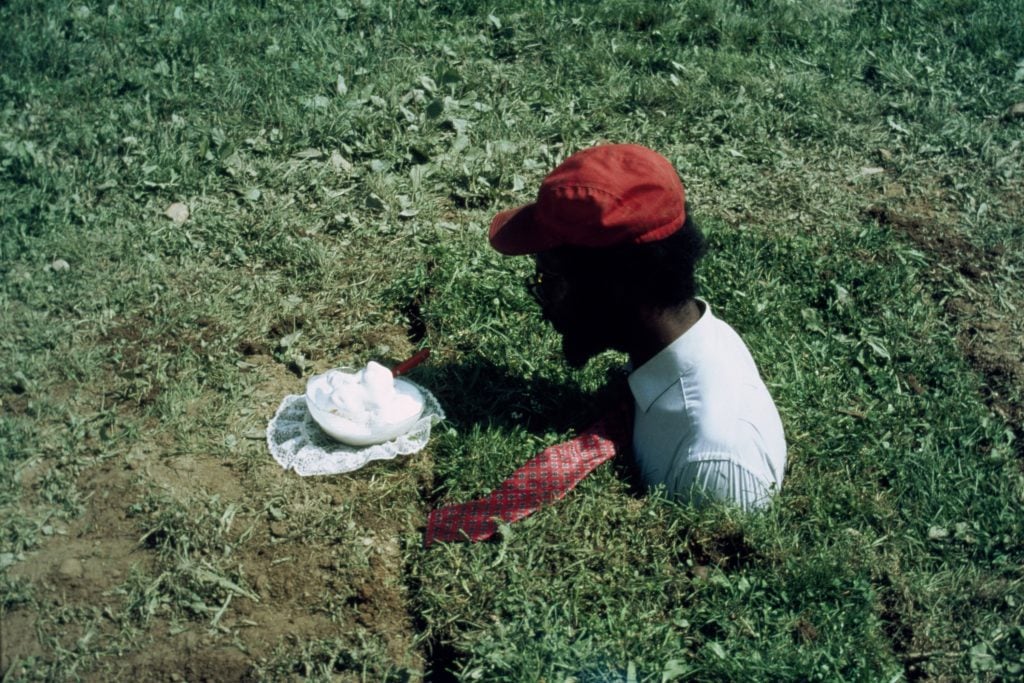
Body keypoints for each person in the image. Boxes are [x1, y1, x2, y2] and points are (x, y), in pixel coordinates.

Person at [487, 143, 786, 510]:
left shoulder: (711, 466)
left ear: (617, 288)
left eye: (549, 278)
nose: (542, 300)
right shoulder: (688, 339)